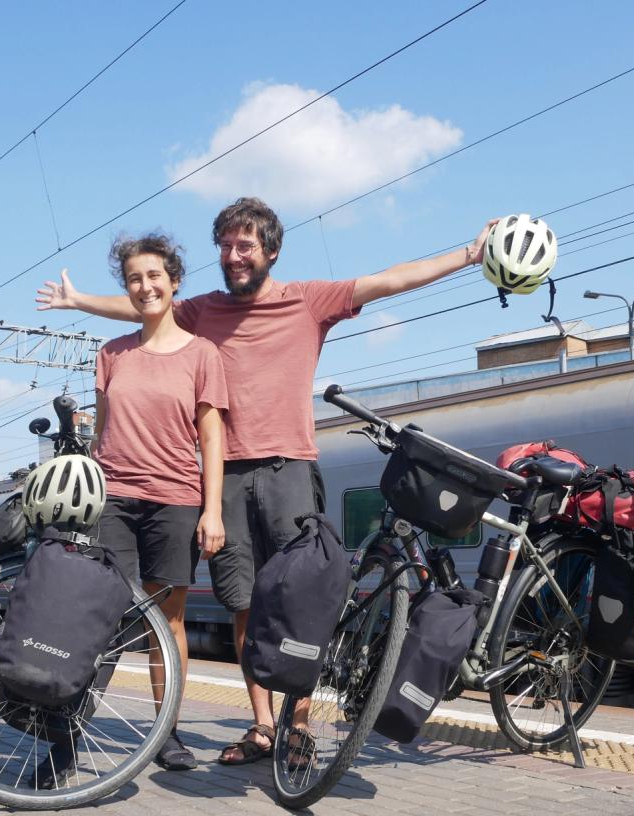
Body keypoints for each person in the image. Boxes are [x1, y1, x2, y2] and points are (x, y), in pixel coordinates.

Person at [38, 198, 502, 766]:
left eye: (245, 247)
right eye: (226, 247)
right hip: (224, 476)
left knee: (298, 604)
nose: (233, 257)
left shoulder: (309, 301)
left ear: (270, 251)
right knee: (243, 606)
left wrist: (466, 255)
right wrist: (80, 299)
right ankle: (263, 727)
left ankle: (298, 727)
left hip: (288, 469)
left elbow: (388, 282)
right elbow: (145, 303)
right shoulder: (202, 312)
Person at [90, 233, 228, 771]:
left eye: (153, 276)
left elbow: (211, 438)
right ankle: (69, 729)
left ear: (174, 282)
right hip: (113, 501)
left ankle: (166, 732)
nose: (144, 286)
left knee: (164, 623)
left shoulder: (202, 355)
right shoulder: (110, 354)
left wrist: (211, 510)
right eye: (133, 279)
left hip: (174, 500)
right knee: (100, 615)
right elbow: (100, 434)